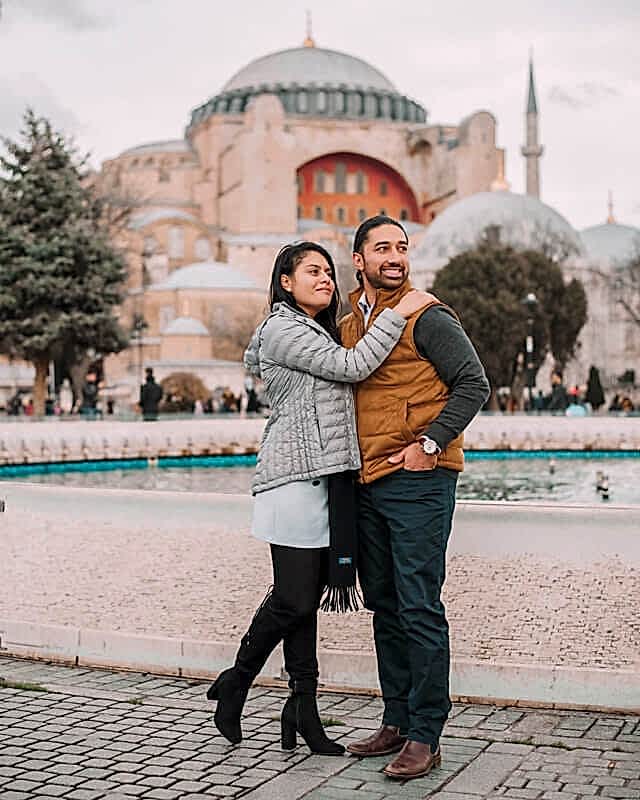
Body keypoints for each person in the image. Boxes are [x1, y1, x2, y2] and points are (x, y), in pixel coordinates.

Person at [206, 241, 433, 755]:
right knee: (296, 597)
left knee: (302, 602)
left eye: (328, 271)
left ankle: (302, 709)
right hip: (291, 479)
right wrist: (400, 312)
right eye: (312, 271)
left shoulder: (315, 330)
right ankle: (236, 681)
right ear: (285, 281)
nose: (325, 278)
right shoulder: (283, 329)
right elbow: (354, 367)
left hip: (323, 478)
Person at [340, 216, 490, 780]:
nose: (394, 256)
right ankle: (396, 719)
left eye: (401, 247)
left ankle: (426, 734)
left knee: (419, 603)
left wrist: (431, 443)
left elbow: (474, 383)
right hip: (368, 479)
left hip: (419, 477)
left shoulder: (428, 315)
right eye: (382, 248)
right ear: (359, 259)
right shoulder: (351, 318)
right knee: (383, 602)